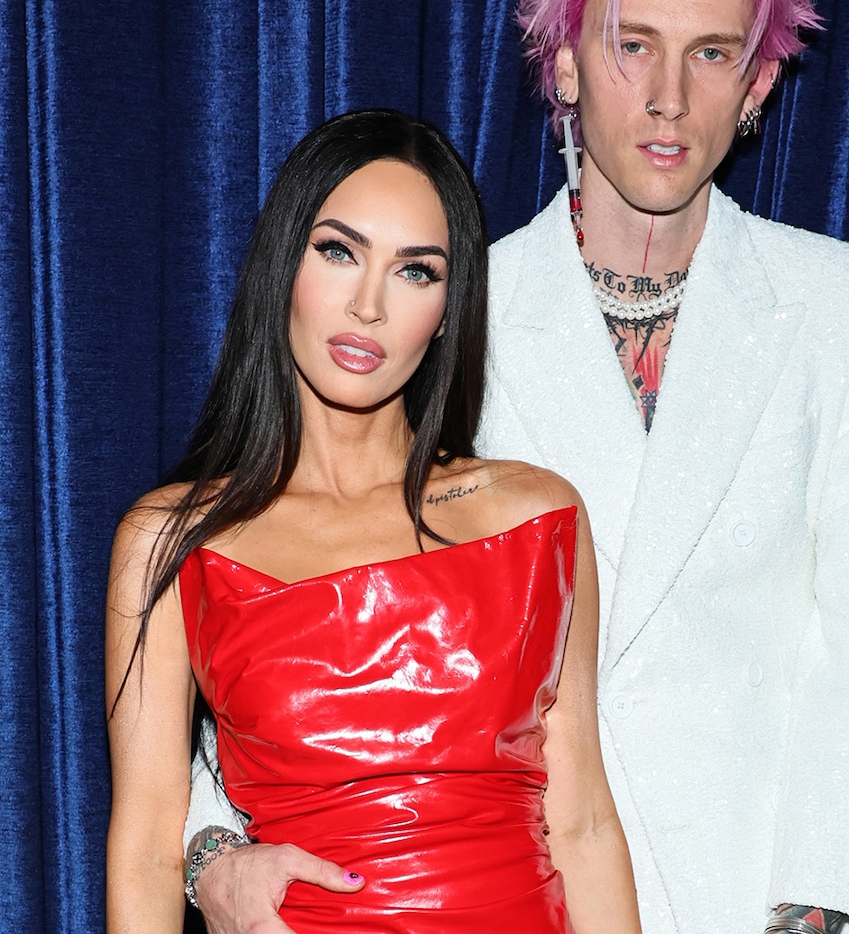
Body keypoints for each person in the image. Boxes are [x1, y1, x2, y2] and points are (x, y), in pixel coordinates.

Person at [184, 0, 849, 933]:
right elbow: (280, 590)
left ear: (759, 84)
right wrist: (212, 846)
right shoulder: (442, 306)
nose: (669, 97)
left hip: (756, 902)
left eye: (712, 53)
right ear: (566, 64)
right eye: (633, 44)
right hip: (498, 898)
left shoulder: (845, 311)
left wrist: (820, 912)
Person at [104, 109, 641, 934]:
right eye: (338, 251)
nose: (367, 306)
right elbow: (146, 854)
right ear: (284, 263)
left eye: (415, 271)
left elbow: (584, 824)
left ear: (448, 309)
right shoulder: (172, 544)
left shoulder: (539, 519)